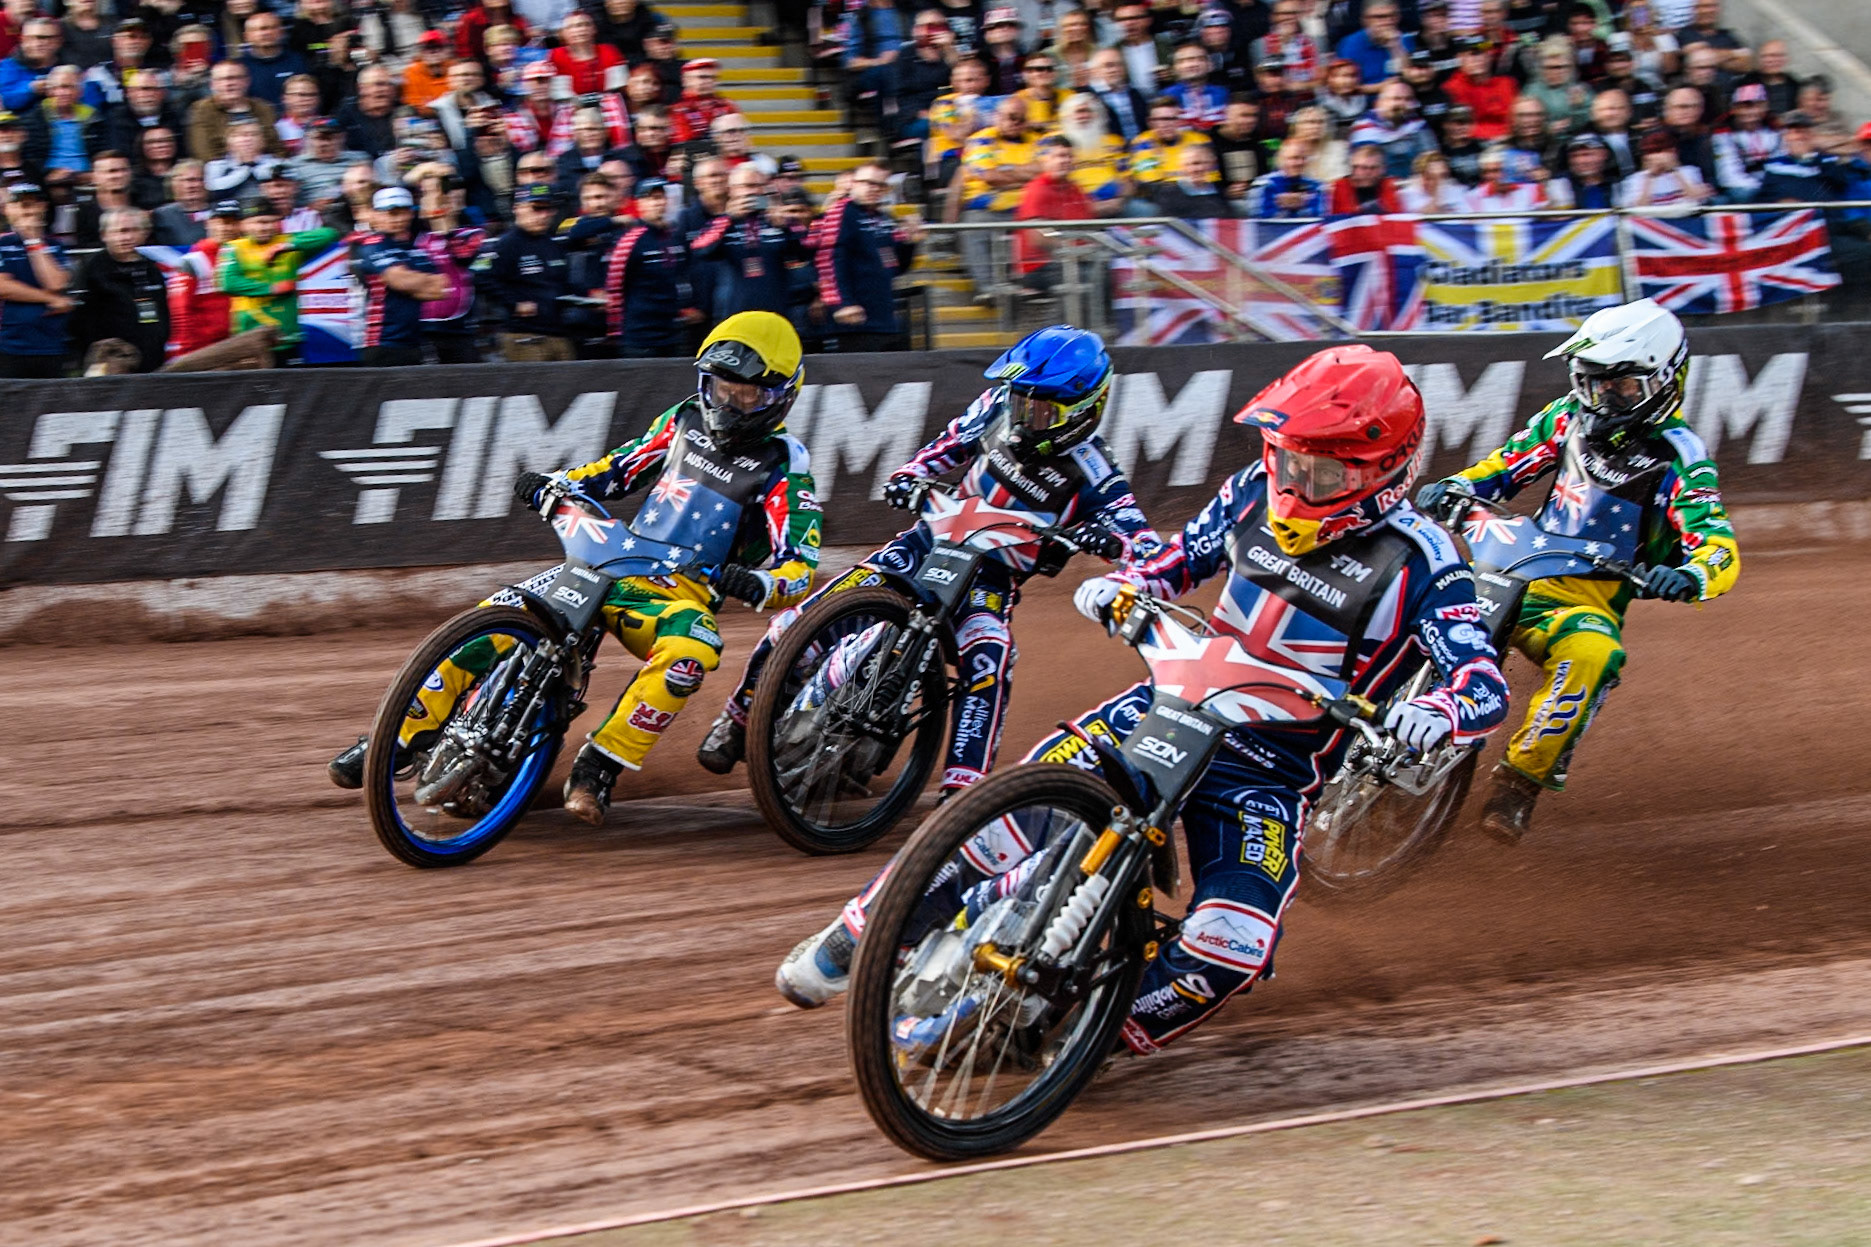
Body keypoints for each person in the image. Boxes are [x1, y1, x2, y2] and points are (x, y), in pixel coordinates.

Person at [774, 344, 1509, 1034]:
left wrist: (1438, 710)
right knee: (998, 823)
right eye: (1286, 458)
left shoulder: (1425, 559)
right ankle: (852, 937)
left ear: (1384, 471)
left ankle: (1089, 1035)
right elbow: (1179, 557)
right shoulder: (1255, 487)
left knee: (1233, 946)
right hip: (1164, 707)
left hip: (1268, 773)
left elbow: (1480, 681)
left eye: (1321, 471)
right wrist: (1126, 584)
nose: (1293, 481)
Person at [330, 311, 822, 824]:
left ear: (781, 395)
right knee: (489, 621)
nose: (729, 402)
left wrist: (760, 582)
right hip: (606, 560)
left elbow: (800, 566)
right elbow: (614, 469)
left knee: (689, 654)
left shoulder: (785, 464)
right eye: (721, 388)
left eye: (747, 394)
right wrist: (557, 483)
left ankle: (598, 766)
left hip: (678, 594)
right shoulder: (682, 419)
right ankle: (397, 740)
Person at [700, 325, 1159, 802]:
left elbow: (1145, 546)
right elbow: (948, 446)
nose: (1022, 412)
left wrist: (1107, 540)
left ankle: (962, 793)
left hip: (990, 580)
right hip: (924, 544)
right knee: (799, 622)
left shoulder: (1097, 473)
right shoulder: (997, 408)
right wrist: (911, 475)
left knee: (991, 655)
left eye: (1038, 407)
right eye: (1020, 399)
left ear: (1081, 412)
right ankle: (737, 719)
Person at [813, 159, 923, 350]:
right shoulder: (840, 212)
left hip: (883, 317)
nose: (874, 189)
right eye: (868, 183)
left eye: (880, 184)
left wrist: (909, 242)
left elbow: (896, 267)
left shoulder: (884, 218)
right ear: (854, 183)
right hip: (853, 320)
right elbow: (828, 261)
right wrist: (842, 304)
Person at [216, 197, 340, 365]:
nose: (264, 227)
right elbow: (228, 283)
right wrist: (272, 288)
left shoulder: (288, 243)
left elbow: (329, 234)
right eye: (258, 222)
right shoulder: (234, 248)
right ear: (243, 225)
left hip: (287, 334)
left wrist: (285, 246)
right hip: (251, 334)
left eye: (270, 221)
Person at [599, 175, 697, 357]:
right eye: (650, 198)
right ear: (638, 203)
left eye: (660, 197)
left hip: (673, 333)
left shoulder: (674, 237)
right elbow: (614, 286)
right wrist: (615, 331)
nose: (657, 203)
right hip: (640, 337)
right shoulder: (629, 240)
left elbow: (683, 277)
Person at [70, 206, 167, 372]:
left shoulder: (152, 267)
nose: (127, 237)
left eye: (133, 230)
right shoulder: (90, 267)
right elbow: (78, 319)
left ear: (144, 234)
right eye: (120, 231)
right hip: (106, 361)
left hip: (151, 359)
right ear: (104, 235)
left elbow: (162, 311)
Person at [957, 97, 1035, 294]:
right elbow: (990, 177)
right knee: (973, 225)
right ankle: (988, 289)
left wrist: (1005, 173)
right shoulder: (979, 140)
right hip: (986, 208)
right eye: (1011, 117)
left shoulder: (1039, 140)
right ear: (997, 117)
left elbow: (1046, 171)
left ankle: (1030, 285)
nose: (1017, 122)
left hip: (1027, 209)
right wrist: (1025, 177)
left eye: (1022, 119)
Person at [0, 183, 72, 378]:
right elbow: (3, 287)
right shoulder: (2, 244)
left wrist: (33, 241)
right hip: (9, 345)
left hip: (51, 343)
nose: (28, 210)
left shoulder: (55, 245)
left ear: (43, 207)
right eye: (21, 205)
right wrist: (48, 299)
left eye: (32, 204)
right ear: (7, 209)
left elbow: (56, 283)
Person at [1013, 136, 1097, 293]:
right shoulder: (1037, 189)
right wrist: (1076, 251)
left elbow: (1089, 226)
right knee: (1086, 276)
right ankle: (1070, 318)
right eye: (1059, 156)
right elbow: (1038, 239)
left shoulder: (1075, 189)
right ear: (1046, 160)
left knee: (1108, 268)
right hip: (1040, 265)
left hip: (1072, 260)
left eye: (1069, 156)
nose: (1065, 161)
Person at [164, 199, 239, 361]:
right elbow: (180, 312)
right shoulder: (192, 261)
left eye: (233, 222)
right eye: (221, 222)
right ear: (208, 223)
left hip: (237, 345)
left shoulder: (244, 257)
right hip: (202, 350)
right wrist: (186, 354)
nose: (227, 228)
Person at [1347, 80, 1435, 181]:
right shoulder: (1364, 126)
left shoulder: (1417, 123)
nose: (1402, 104)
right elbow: (1367, 168)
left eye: (1408, 99)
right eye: (1396, 99)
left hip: (1417, 184)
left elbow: (1432, 159)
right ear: (1379, 103)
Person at [1153, 141, 1235, 217]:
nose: (1199, 168)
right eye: (1194, 164)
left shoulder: (1219, 192)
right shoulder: (1169, 193)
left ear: (1211, 165)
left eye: (1204, 163)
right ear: (1183, 167)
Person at [1248, 139, 1323, 217]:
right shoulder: (1263, 184)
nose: (1300, 162)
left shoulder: (1316, 186)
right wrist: (1280, 206)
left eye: (1303, 158)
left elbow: (1321, 218)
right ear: (1281, 160)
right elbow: (1257, 218)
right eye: (1294, 158)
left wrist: (1301, 204)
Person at [1327, 141, 1401, 213]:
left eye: (1373, 168)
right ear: (1353, 168)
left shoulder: (1393, 186)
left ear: (1383, 169)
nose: (1368, 172)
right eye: (1363, 168)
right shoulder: (1337, 188)